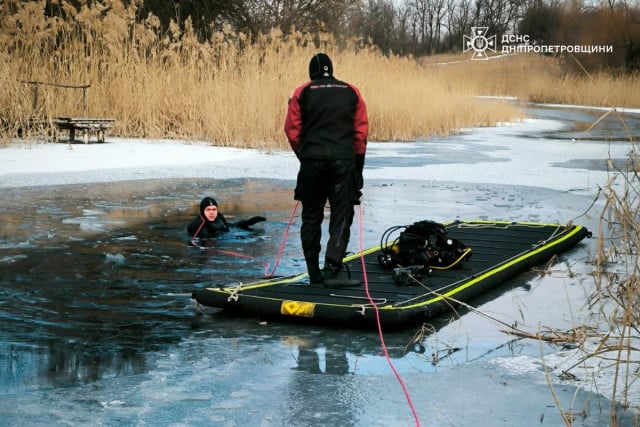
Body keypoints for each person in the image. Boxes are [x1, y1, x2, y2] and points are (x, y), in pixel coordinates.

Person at [284, 52, 369, 284]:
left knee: (311, 216)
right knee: (342, 213)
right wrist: (357, 169)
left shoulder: (301, 92)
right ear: (331, 69)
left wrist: (305, 155)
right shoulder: (352, 91)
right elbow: (360, 133)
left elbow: (292, 131)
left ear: (311, 72)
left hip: (312, 161)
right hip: (343, 161)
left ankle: (313, 272)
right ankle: (333, 266)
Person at [187, 196, 266, 240]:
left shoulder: (219, 216)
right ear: (202, 211)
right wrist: (235, 237)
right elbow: (205, 241)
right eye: (208, 210)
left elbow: (231, 226)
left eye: (214, 209)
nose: (212, 212)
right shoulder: (200, 224)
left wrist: (248, 222)